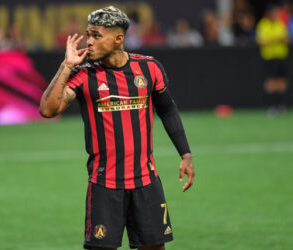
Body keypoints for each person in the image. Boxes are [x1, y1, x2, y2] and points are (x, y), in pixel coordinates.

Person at [39, 6, 195, 250]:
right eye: (88, 34)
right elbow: (48, 110)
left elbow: (167, 110)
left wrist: (185, 154)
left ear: (118, 39)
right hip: (104, 185)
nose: (89, 42)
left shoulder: (149, 69)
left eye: (96, 36)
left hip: (147, 183)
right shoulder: (83, 74)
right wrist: (66, 66)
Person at [256, 4, 289, 116]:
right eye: (274, 12)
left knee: (281, 81)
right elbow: (262, 40)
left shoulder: (280, 24)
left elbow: (286, 38)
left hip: (281, 56)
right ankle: (271, 106)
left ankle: (280, 105)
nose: (276, 15)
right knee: (271, 81)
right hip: (269, 57)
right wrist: (276, 38)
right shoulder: (264, 24)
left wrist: (278, 38)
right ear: (269, 13)